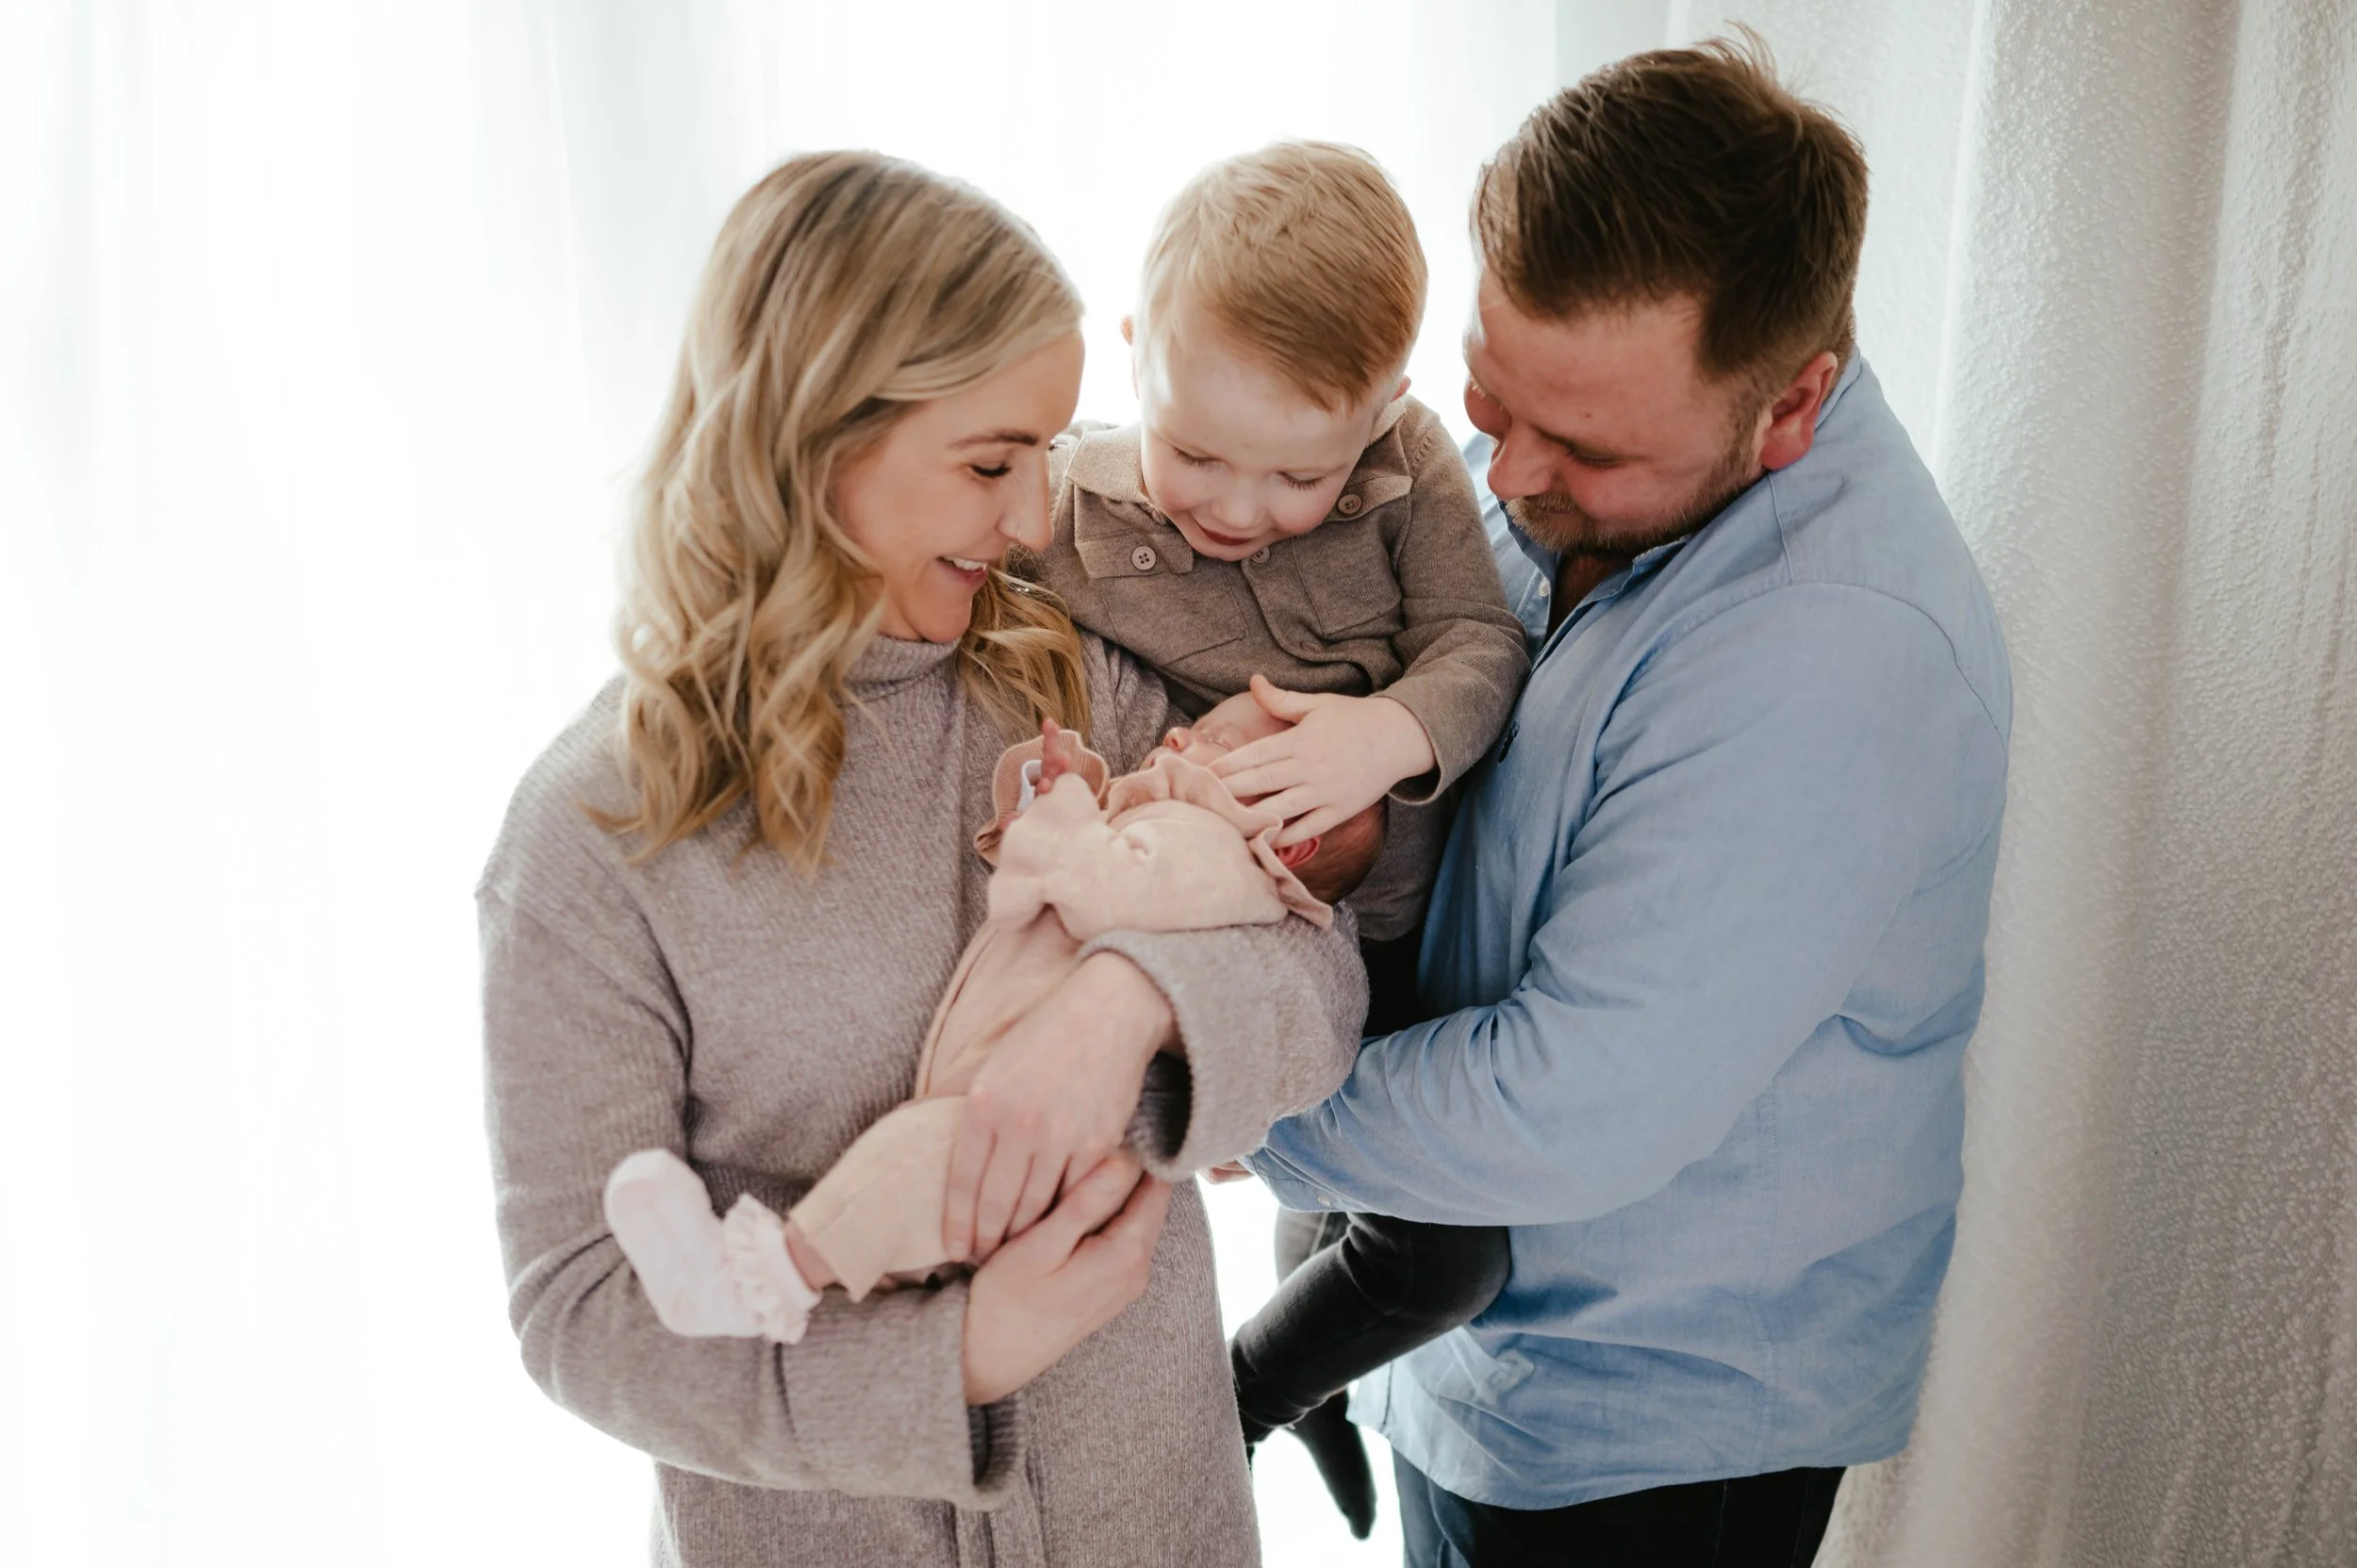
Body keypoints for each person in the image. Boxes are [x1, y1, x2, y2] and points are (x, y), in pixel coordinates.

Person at [477, 151, 1365, 1568]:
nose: (1033, 519)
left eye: (1048, 453)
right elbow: (580, 1311)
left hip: (1159, 1520)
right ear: (816, 438)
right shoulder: (592, 839)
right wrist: (954, 1357)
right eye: (990, 461)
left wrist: (1126, 1002)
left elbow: (1319, 965)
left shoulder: (1066, 675)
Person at [1244, 38, 2014, 1568]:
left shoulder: (1830, 656)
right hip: (1485, 1344)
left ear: (1790, 404)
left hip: (1646, 1434)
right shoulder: (1566, 461)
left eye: (1586, 447)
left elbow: (1567, 1100)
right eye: (1488, 393)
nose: (1503, 466)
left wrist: (1235, 1091)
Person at [1019, 140, 1529, 1536]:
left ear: (1386, 413)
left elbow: (1481, 642)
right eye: (1194, 452)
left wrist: (1383, 735)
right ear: (1136, 356)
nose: (1237, 509)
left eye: (1299, 474)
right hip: (1253, 940)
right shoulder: (1068, 506)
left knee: (1393, 1234)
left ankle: (1286, 1397)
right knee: (1441, 1247)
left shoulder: (1409, 468)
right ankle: (1242, 1407)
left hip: (1414, 936)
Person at [600, 692, 1385, 1338]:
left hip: (1012, 1135)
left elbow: (1107, 889)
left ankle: (765, 1279)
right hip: (997, 1067)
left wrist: (1073, 812)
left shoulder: (1215, 853)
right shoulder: (1174, 828)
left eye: (1214, 739)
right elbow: (1071, 867)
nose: (1179, 729)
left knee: (910, 1158)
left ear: (1293, 841)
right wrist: (1051, 794)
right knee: (907, 1160)